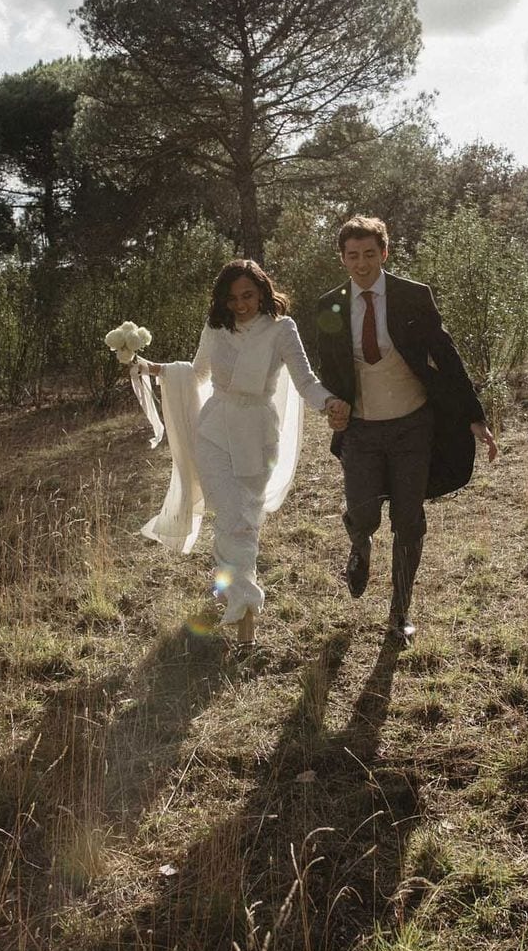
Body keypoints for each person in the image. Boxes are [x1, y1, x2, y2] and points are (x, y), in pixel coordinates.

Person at [142, 259, 349, 641]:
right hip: (215, 431)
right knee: (231, 517)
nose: (241, 304)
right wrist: (157, 369)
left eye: (248, 296)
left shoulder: (281, 329)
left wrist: (330, 402)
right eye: (232, 298)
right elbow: (197, 373)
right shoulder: (215, 328)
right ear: (222, 300)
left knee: (245, 522)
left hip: (258, 435)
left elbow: (305, 381)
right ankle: (245, 618)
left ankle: (229, 586)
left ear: (262, 292)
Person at [316, 215, 496, 643]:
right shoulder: (330, 306)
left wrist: (475, 415)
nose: (361, 264)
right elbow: (330, 368)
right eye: (352, 256)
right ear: (342, 258)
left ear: (385, 252)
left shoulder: (413, 296)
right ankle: (359, 542)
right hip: (360, 432)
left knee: (408, 520)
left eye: (370, 254)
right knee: (363, 513)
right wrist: (331, 405)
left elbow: (446, 355)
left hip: (413, 427)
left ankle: (399, 613)